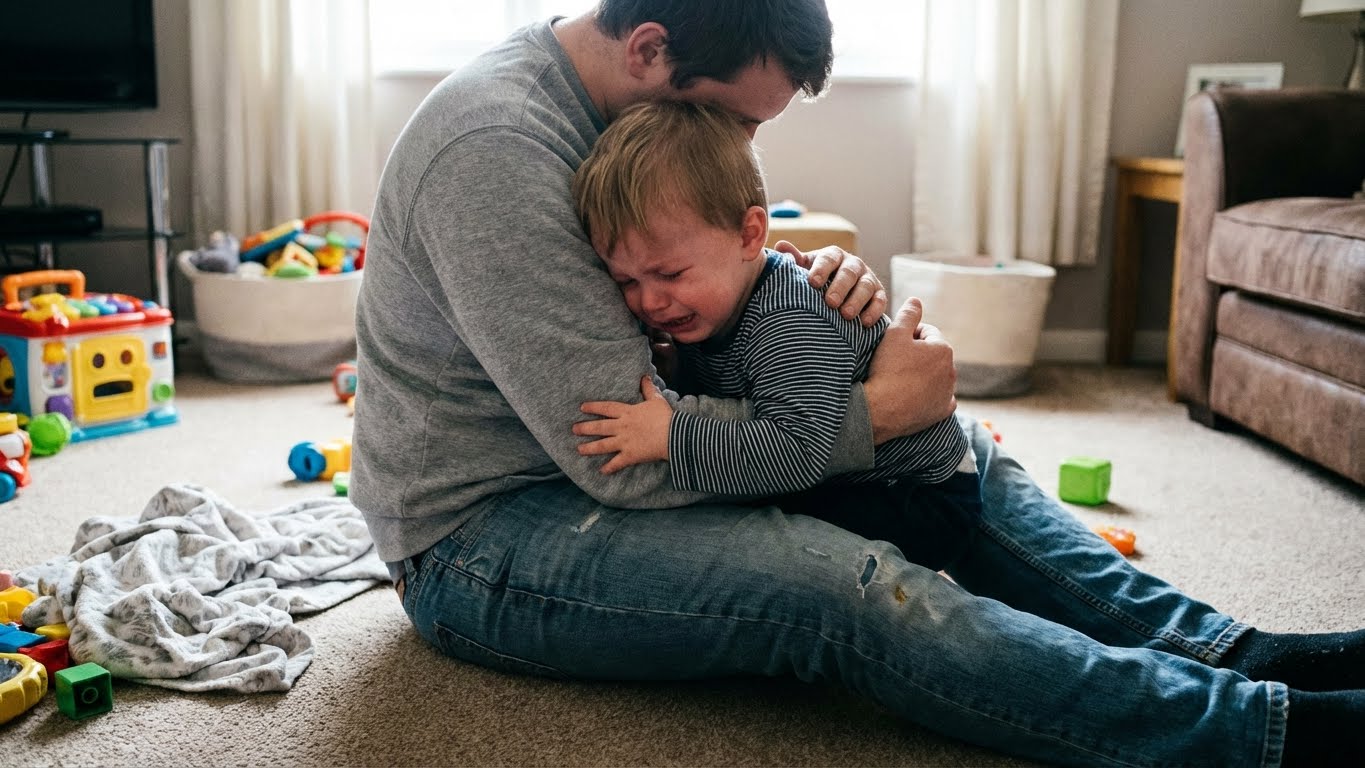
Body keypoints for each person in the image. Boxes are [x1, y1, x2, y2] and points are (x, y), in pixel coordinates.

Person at [350, 2, 1364, 765]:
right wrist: (873, 413)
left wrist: (793, 280)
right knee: (849, 585)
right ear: (651, 51)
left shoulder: (618, 113)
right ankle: (1268, 736)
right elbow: (623, 458)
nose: (741, 153)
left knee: (953, 468)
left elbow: (705, 229)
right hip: (489, 534)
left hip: (639, 452)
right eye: (735, 121)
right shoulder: (498, 150)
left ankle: (1245, 655)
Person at [570, 99, 980, 571]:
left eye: (671, 273)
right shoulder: (710, 303)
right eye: (628, 281)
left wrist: (671, 436)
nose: (651, 302)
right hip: (856, 477)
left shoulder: (788, 319)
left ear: (749, 235)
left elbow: (798, 453)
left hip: (914, 496)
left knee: (748, 550)